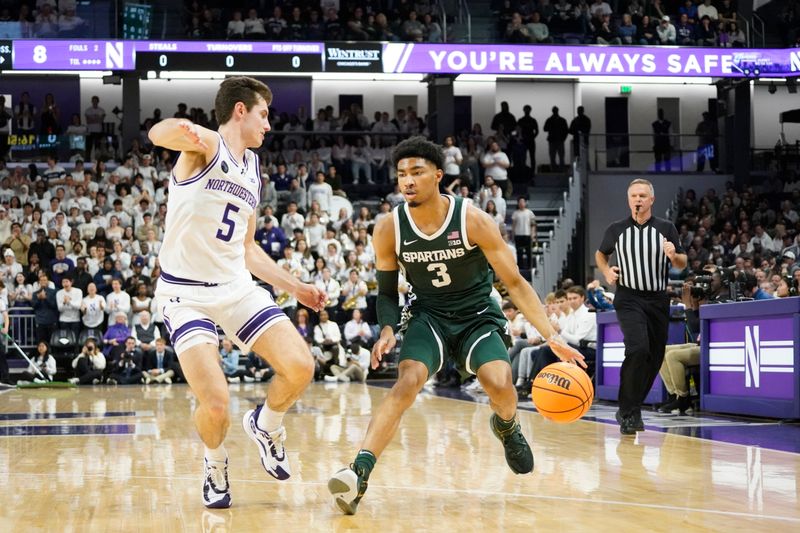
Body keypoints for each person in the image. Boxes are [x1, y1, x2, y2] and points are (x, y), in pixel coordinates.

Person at [328, 137, 584, 515]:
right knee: (407, 382)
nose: (408, 181)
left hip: (476, 314)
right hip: (428, 315)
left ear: (437, 174)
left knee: (499, 382)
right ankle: (358, 473)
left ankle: (508, 427)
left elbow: (514, 282)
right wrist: (386, 329)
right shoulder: (388, 228)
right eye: (401, 175)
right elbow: (384, 292)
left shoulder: (472, 219)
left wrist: (552, 335)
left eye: (416, 172)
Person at [147, 76, 325, 509]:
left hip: (234, 287)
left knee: (301, 366)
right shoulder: (206, 146)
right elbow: (158, 134)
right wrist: (181, 130)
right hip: (185, 295)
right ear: (240, 111)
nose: (269, 125)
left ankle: (266, 424)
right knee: (215, 405)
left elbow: (247, 249)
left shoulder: (253, 170)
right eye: (264, 114)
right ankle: (214, 461)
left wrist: (295, 286)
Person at [595, 178, 687, 435]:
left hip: (657, 298)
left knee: (655, 357)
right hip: (629, 297)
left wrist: (673, 255)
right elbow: (601, 254)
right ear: (629, 200)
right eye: (634, 195)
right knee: (637, 349)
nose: (638, 199)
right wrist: (606, 271)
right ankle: (628, 411)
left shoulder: (666, 227)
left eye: (643, 196)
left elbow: (682, 262)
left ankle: (632, 407)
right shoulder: (616, 229)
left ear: (652, 200)